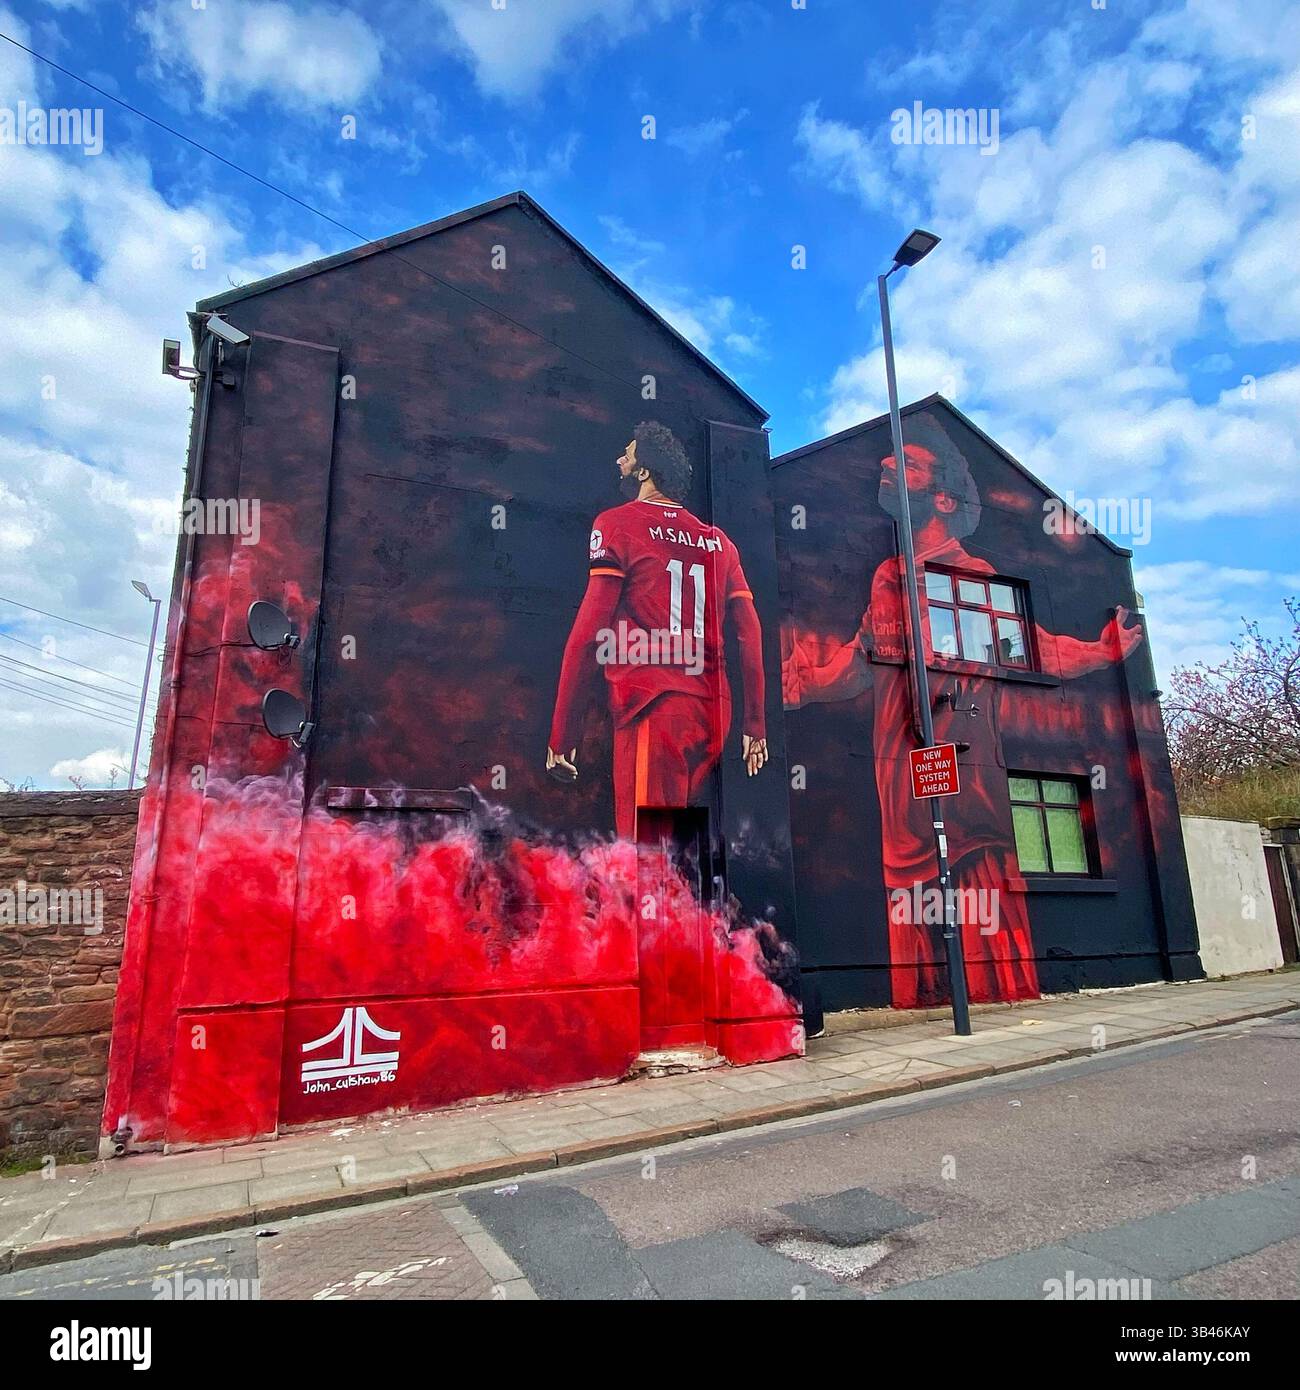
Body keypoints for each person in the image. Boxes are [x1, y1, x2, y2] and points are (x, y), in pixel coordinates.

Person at [782, 417, 1142, 1006]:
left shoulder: (970, 579)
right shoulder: (886, 576)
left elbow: (1035, 645)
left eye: (910, 465)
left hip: (969, 797)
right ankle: (931, 1005)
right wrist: (804, 682)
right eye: (888, 462)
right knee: (916, 926)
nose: (888, 467)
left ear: (944, 497)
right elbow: (859, 663)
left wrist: (1103, 652)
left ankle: (987, 1001)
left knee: (977, 915)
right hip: (897, 801)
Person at [548, 421, 767, 838]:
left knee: (645, 854)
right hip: (711, 714)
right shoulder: (719, 541)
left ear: (644, 471)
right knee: (674, 840)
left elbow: (587, 633)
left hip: (655, 706)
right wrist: (754, 726)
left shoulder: (618, 524)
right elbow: (750, 637)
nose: (620, 460)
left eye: (627, 454)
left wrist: (563, 731)